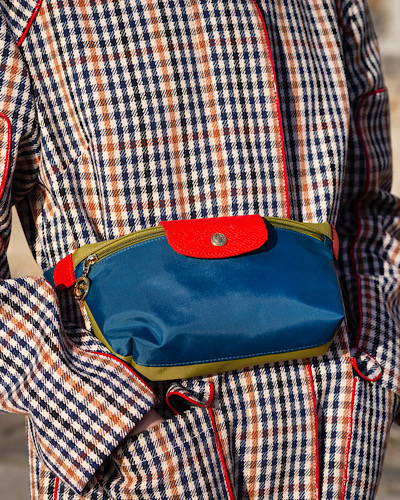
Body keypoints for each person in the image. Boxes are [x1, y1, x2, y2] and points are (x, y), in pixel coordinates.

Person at [0, 0, 399, 497]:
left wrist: (375, 361)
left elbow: (367, 206)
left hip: (333, 429)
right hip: (141, 447)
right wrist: (98, 410)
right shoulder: (27, 11)